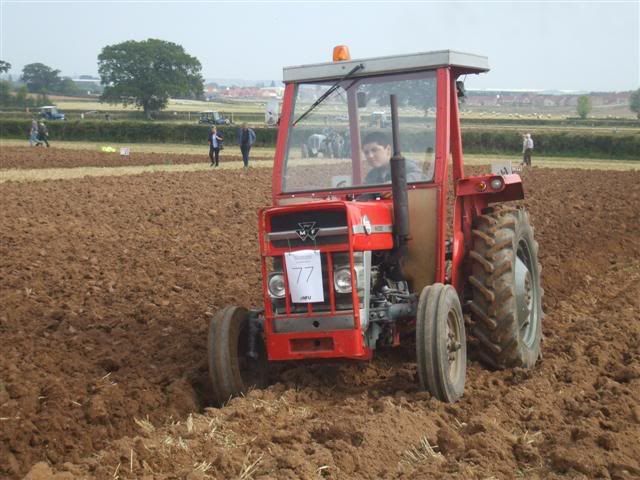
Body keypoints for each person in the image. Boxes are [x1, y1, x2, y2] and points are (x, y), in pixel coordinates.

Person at [362, 131, 426, 184]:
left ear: (388, 149)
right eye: (366, 152)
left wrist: (396, 184)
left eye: (375, 150)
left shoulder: (402, 165)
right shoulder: (371, 176)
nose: (370, 156)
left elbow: (419, 175)